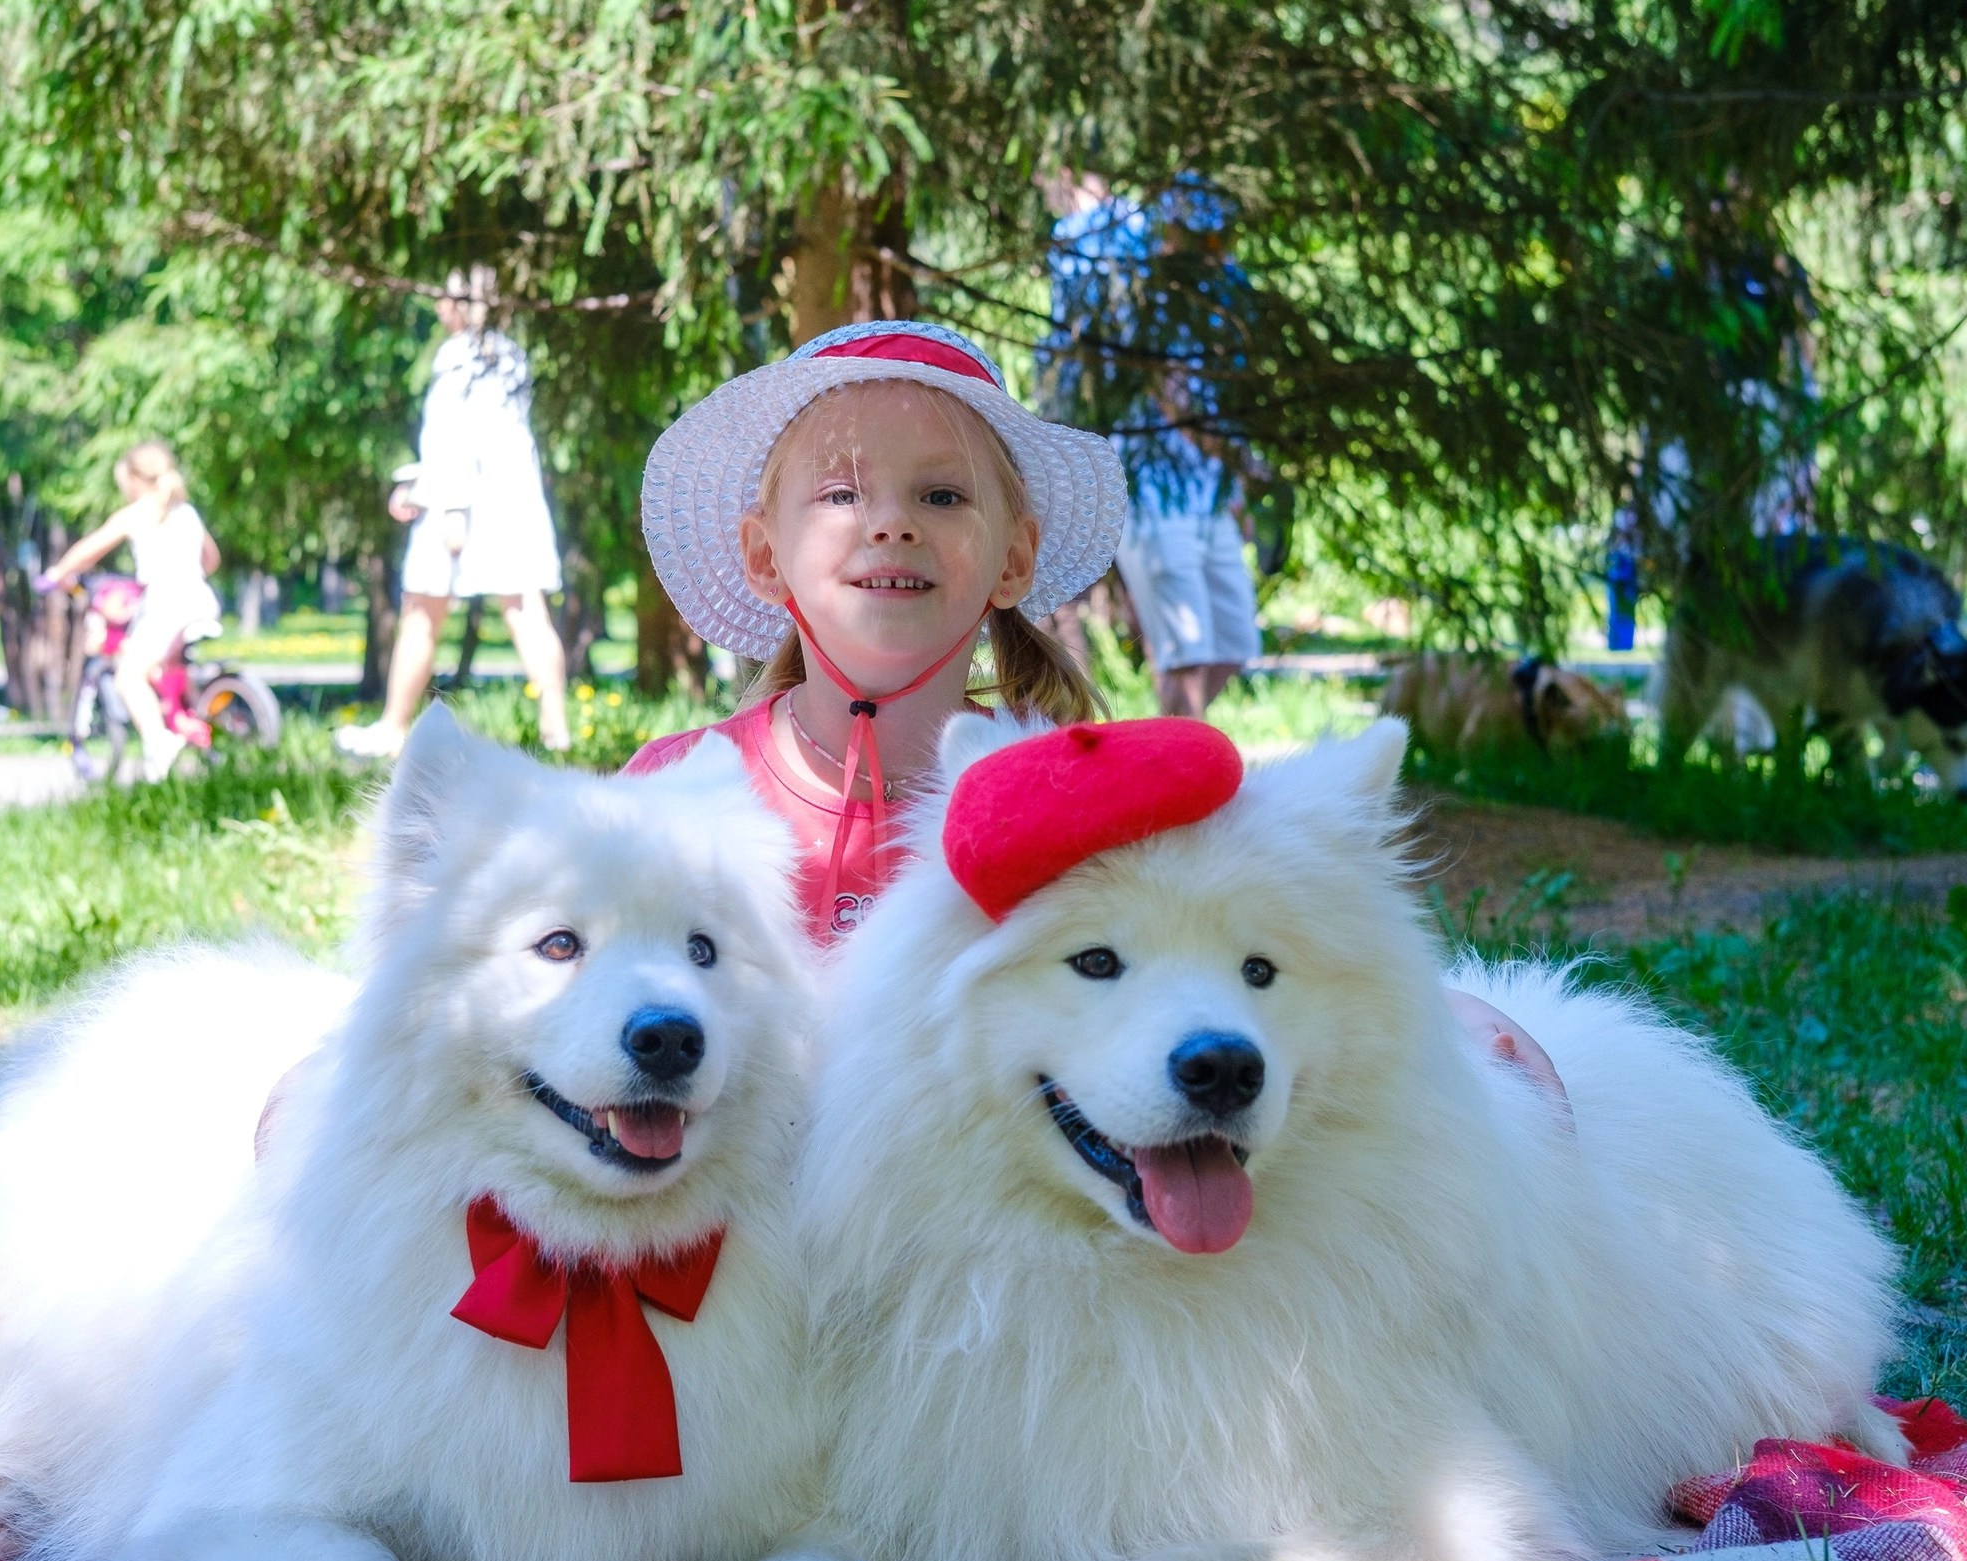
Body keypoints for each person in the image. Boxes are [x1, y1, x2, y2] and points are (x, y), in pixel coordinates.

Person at [622, 319, 1566, 1101]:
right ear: (764, 555)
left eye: (943, 495)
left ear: (1014, 560)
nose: (892, 522)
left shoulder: (1083, 803)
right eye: (841, 492)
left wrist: (1437, 1009)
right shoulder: (676, 795)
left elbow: (1233, 934)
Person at [1044, 176, 1262, 718]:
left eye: (1220, 238)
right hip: (1153, 504)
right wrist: (1246, 463)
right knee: (1185, 656)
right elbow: (1179, 405)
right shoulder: (1144, 306)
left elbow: (1219, 403)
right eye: (1201, 237)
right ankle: (1179, 764)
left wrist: (1234, 487)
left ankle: (1161, 744)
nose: (1214, 250)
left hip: (1210, 499)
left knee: (1235, 643)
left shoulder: (1214, 303)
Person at [338, 269, 574, 757]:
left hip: (459, 504)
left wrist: (448, 508)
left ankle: (393, 726)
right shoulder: (510, 355)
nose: (437, 304)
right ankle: (557, 728)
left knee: (421, 613)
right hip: (510, 504)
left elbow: (453, 441)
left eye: (445, 294)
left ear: (463, 301)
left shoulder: (457, 356)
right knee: (527, 611)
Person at [44, 440, 222, 783]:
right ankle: (187, 720)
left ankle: (160, 745)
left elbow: (89, 550)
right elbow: (211, 560)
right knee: (162, 668)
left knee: (128, 676)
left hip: (166, 604)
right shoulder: (186, 512)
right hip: (200, 600)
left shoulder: (139, 512)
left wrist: (59, 572)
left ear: (136, 480)